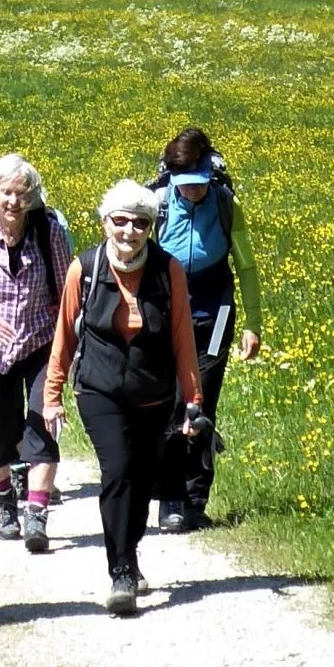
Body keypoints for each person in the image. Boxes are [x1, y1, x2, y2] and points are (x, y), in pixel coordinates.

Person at [44, 180, 204, 616]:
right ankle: (119, 571)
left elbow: (182, 339)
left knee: (141, 479)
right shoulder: (86, 268)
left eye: (140, 223)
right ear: (105, 223)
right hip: (99, 390)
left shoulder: (168, 271)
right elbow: (63, 334)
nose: (129, 231)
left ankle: (129, 555)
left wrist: (193, 402)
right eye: (120, 221)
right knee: (118, 470)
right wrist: (52, 394)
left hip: (153, 395)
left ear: (150, 227)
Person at [0, 155, 72, 552]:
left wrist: (66, 346)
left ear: (32, 198)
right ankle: (5, 502)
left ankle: (36, 516)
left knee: (42, 425)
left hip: (41, 344)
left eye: (21, 194)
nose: (13, 201)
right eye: (6, 192)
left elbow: (66, 293)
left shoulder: (49, 234)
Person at [151, 127, 262, 533]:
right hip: (167, 312)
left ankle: (196, 500)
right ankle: (169, 500)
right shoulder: (159, 203)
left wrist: (253, 323)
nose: (192, 192)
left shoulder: (226, 204)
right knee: (171, 402)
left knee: (203, 404)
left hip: (215, 313)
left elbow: (246, 267)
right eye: (185, 186)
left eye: (198, 184)